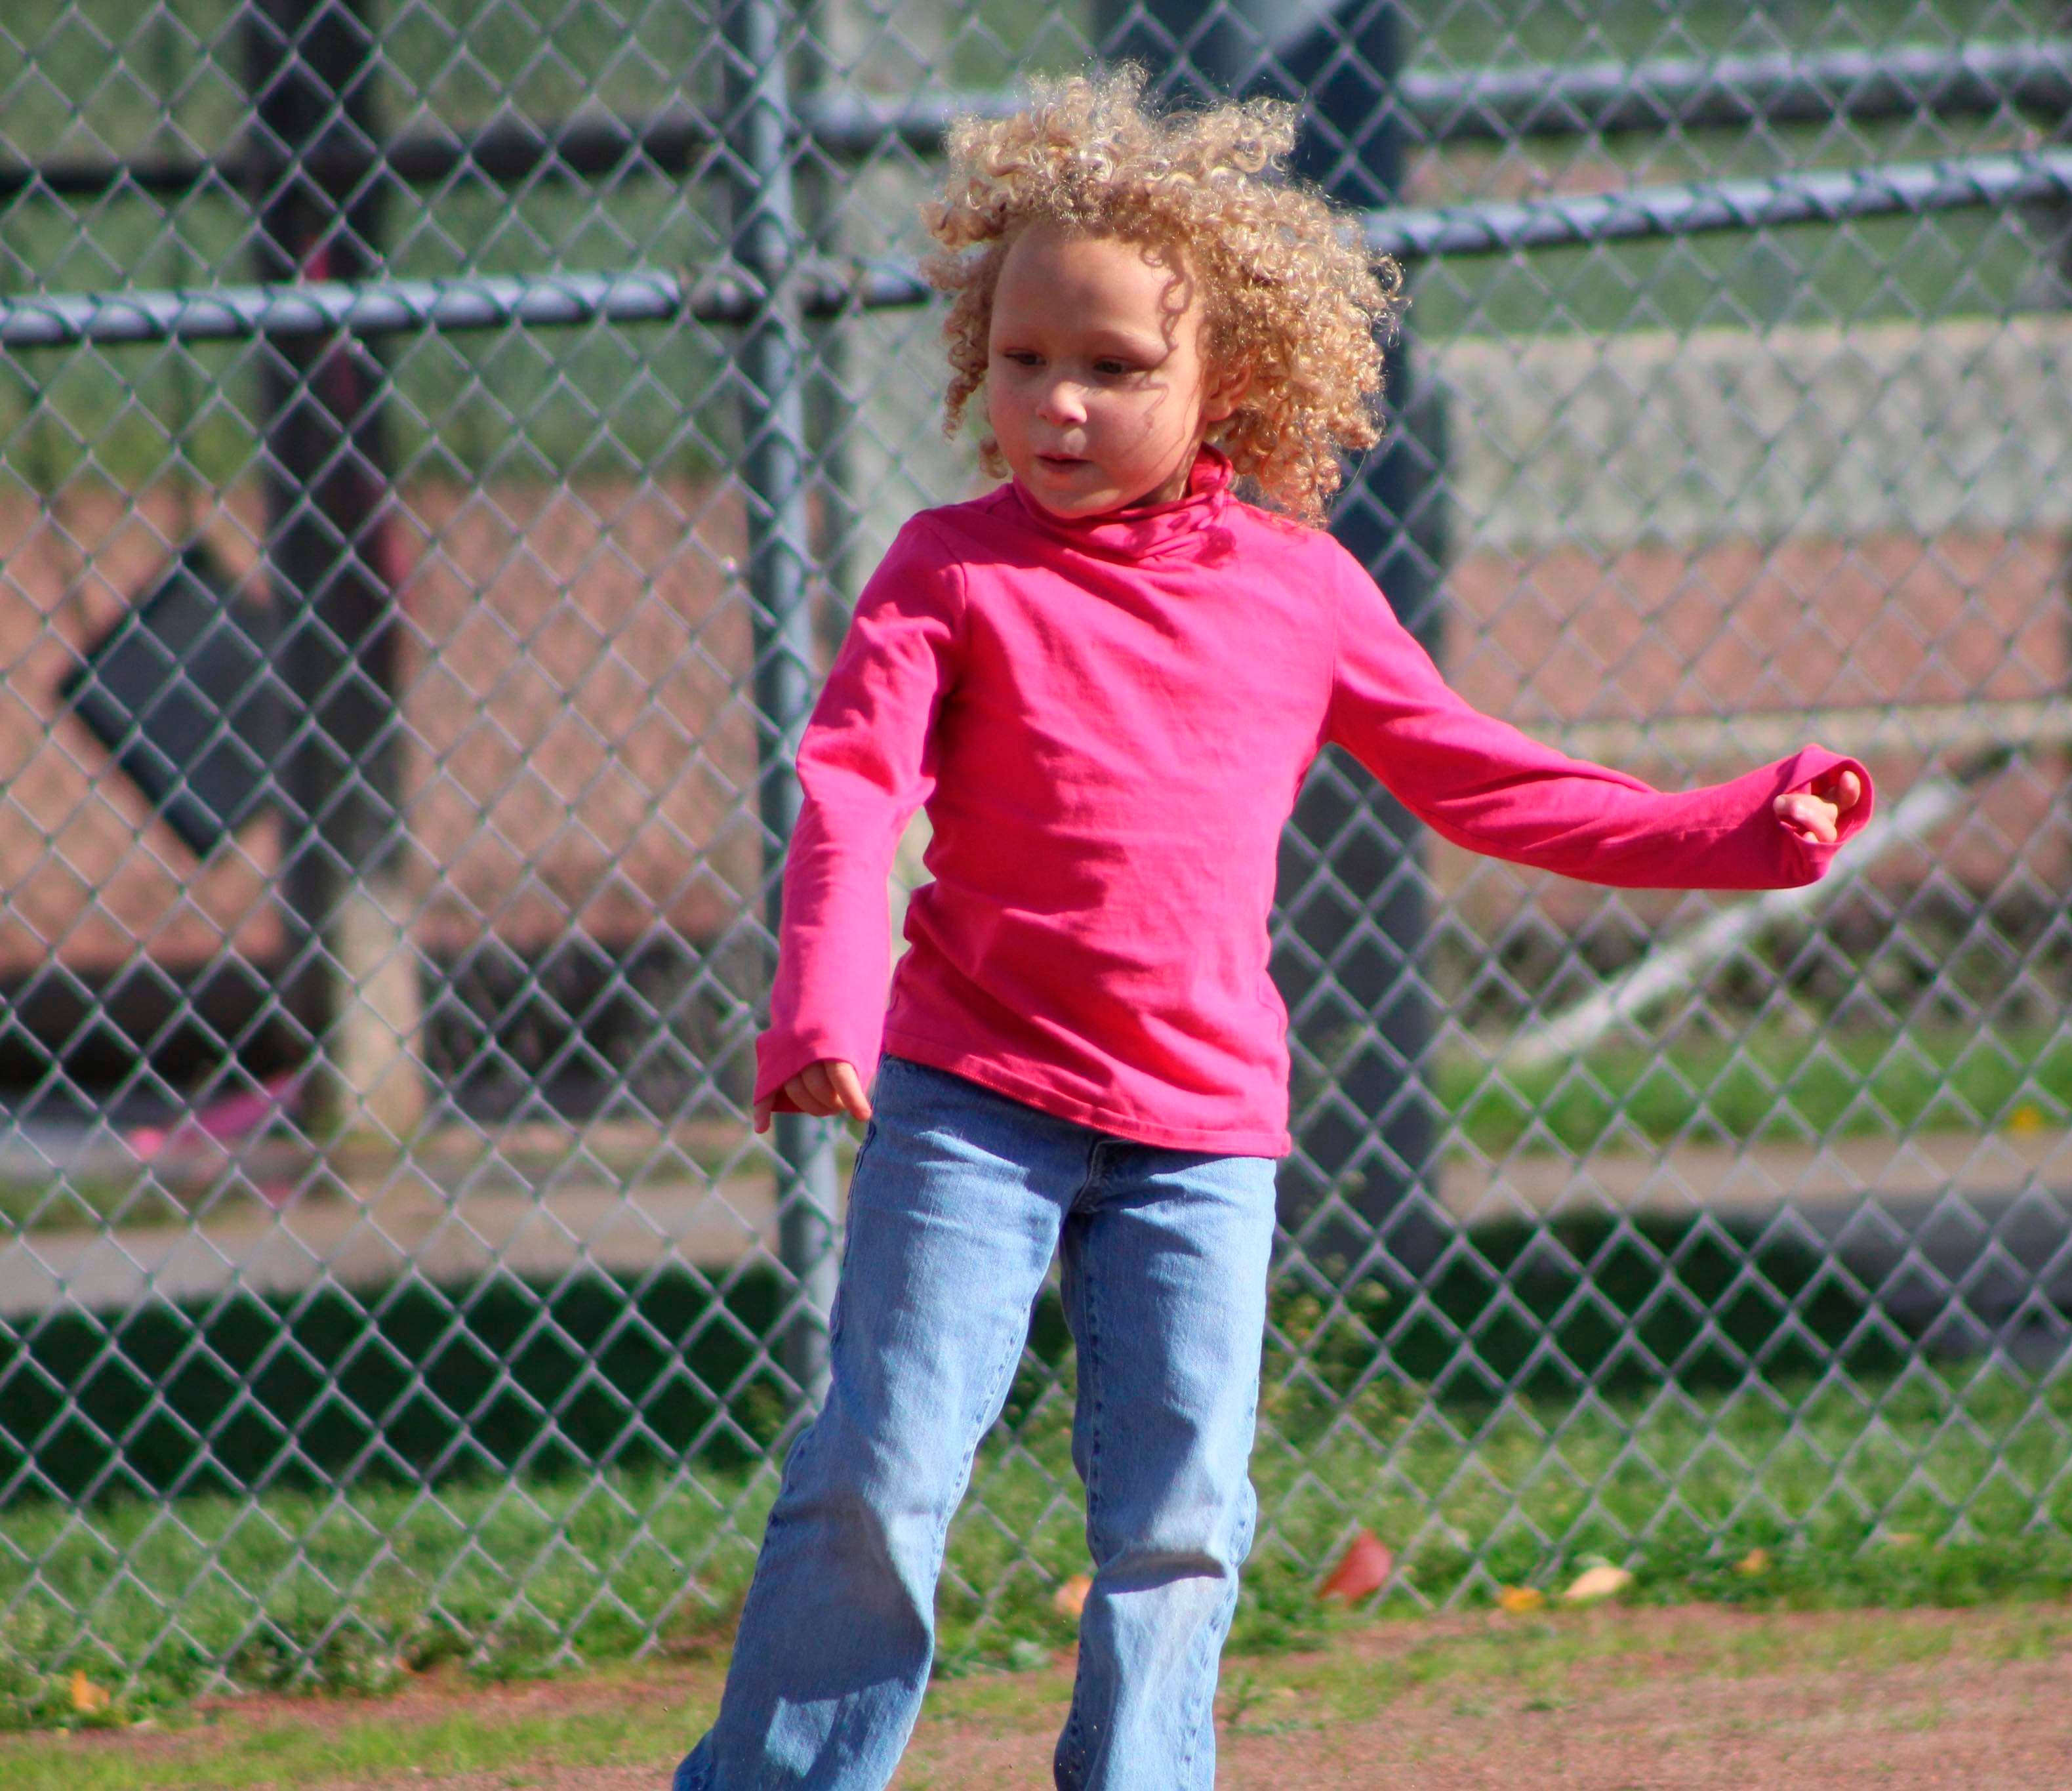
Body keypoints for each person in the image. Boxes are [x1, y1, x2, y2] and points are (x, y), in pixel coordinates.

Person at [672, 67, 1873, 1791]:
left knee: (1180, 1520)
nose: (1059, 404)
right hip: (970, 1093)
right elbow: (857, 795)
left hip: (1197, 1133)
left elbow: (1489, 783)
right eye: (1024, 361)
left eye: (1115, 366)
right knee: (879, 1465)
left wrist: (1744, 830)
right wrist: (824, 1010)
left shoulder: (1301, 588)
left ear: (1226, 374)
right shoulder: (948, 568)